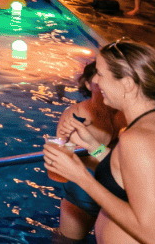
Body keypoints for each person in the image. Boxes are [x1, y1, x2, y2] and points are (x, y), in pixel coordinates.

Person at [44, 41, 155, 244]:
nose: (95, 80)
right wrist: (94, 146)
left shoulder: (139, 140)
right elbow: (139, 173)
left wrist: (82, 177)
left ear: (127, 83)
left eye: (101, 74)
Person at [53, 61, 126, 243]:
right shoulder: (75, 116)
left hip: (116, 189)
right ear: (88, 84)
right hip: (82, 192)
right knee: (68, 241)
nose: (102, 85)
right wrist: (65, 144)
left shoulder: (125, 114)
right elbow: (60, 157)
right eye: (97, 80)